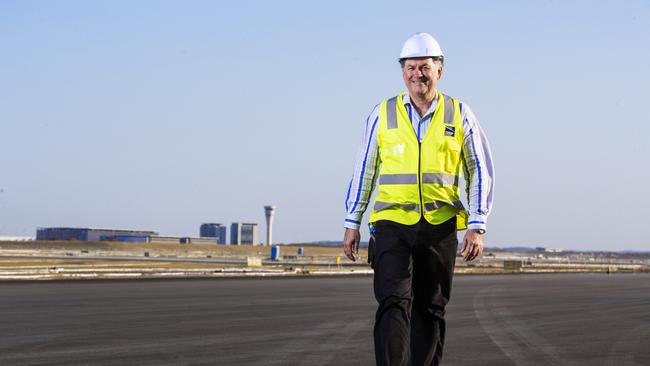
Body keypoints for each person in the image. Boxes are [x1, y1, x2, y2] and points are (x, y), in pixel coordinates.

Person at [342, 32, 495, 366]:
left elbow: (480, 169)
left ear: (439, 70)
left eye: (425, 67)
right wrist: (352, 221)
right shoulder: (382, 114)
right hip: (391, 223)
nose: (418, 75)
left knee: (430, 307)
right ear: (402, 71)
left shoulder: (460, 114)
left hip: (440, 226)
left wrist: (477, 223)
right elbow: (363, 170)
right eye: (411, 67)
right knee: (393, 301)